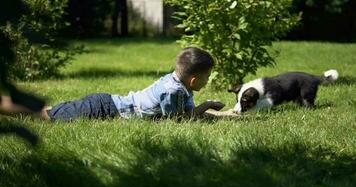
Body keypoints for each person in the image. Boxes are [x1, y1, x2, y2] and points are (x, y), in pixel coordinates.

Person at [1, 47, 237, 121]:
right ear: (193, 80)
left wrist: (223, 113)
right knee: (44, 114)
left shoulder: (178, 82)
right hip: (101, 109)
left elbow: (187, 112)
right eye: (207, 78)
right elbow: (181, 120)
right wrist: (206, 104)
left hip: (105, 104)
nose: (208, 82)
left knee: (51, 111)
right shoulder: (174, 91)